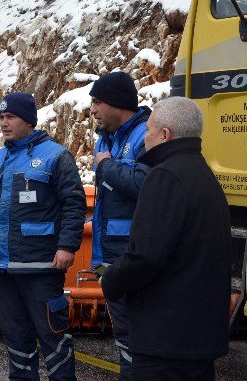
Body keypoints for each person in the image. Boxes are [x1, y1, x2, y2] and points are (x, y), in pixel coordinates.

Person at [101, 96, 231, 381]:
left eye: (148, 130)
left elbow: (145, 254)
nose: (145, 137)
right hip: (197, 335)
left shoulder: (165, 176)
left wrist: (110, 282)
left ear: (165, 135)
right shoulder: (203, 174)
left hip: (166, 341)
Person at [0, 92, 86, 381]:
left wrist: (67, 246)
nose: (4, 124)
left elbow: (74, 203)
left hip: (43, 267)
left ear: (29, 120)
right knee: (15, 336)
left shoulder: (56, 156)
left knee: (52, 335)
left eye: (11, 117)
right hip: (6, 269)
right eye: (1, 118)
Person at [88, 71, 151, 380]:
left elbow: (145, 185)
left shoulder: (146, 135)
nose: (93, 109)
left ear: (118, 102)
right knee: (125, 344)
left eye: (98, 101)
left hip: (136, 259)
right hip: (113, 259)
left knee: (141, 344)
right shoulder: (106, 137)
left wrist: (106, 166)